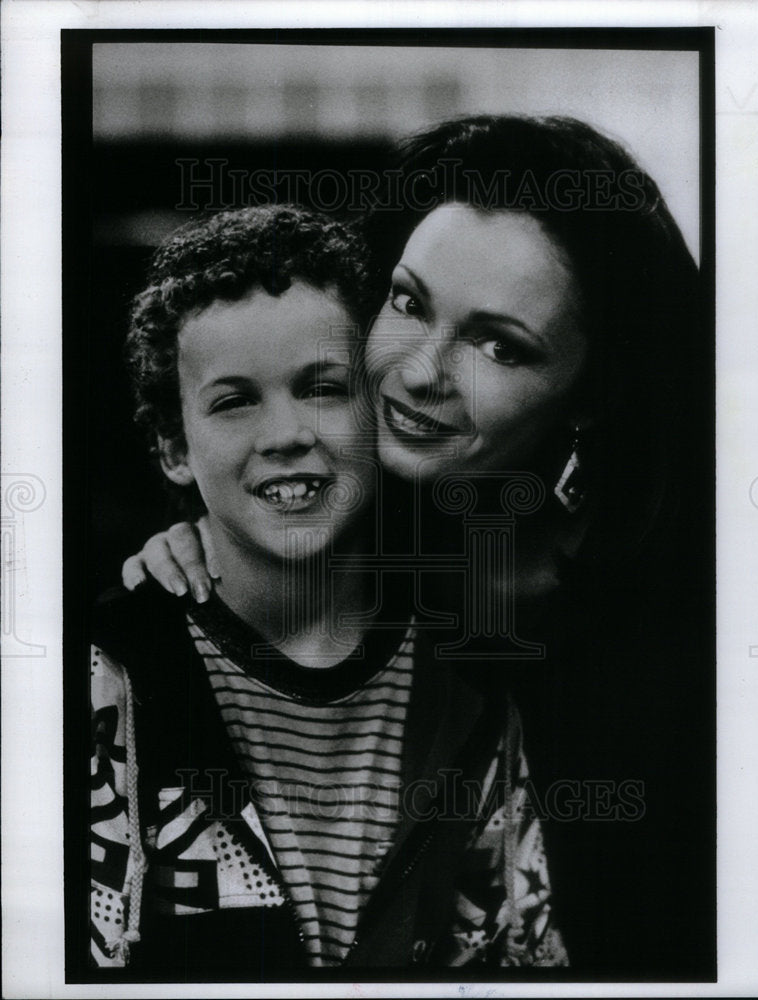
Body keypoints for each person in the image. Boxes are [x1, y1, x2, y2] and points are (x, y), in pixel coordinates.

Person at [123, 116, 714, 978]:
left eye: (497, 345)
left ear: (592, 393)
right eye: (407, 302)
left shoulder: (675, 632)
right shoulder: (351, 529)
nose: (416, 370)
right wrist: (208, 545)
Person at [89, 203, 569, 976]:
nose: (285, 434)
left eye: (321, 387)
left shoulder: (470, 683)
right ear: (175, 447)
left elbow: (521, 959)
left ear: (380, 409)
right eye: (235, 400)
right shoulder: (107, 682)